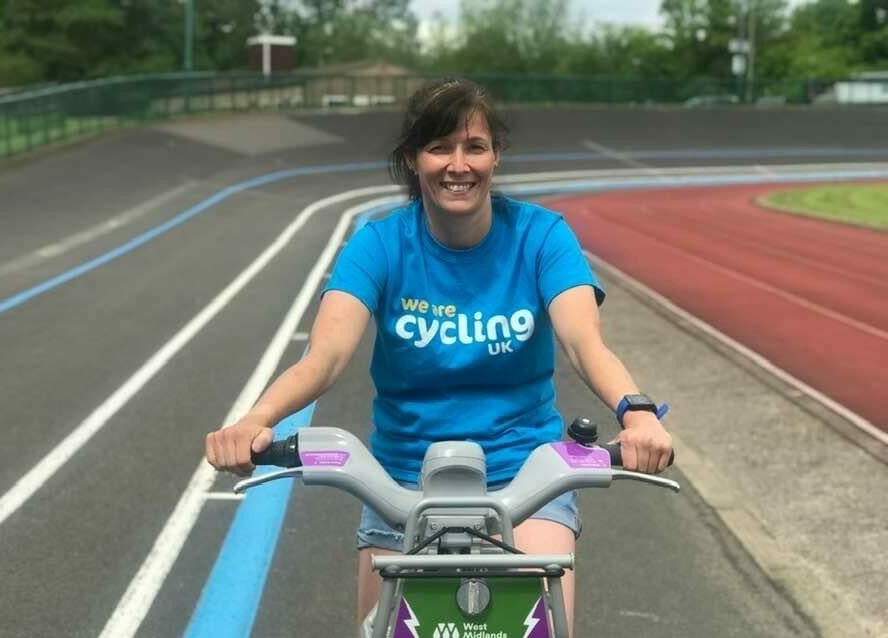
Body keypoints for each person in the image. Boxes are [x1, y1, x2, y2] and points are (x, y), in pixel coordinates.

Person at [205, 77, 674, 631]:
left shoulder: (541, 236)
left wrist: (637, 413)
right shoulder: (379, 244)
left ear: (495, 156)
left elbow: (582, 340)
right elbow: (325, 356)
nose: (458, 164)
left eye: (474, 146)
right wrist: (256, 421)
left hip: (524, 479)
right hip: (403, 482)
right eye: (439, 147)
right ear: (412, 159)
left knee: (543, 622)